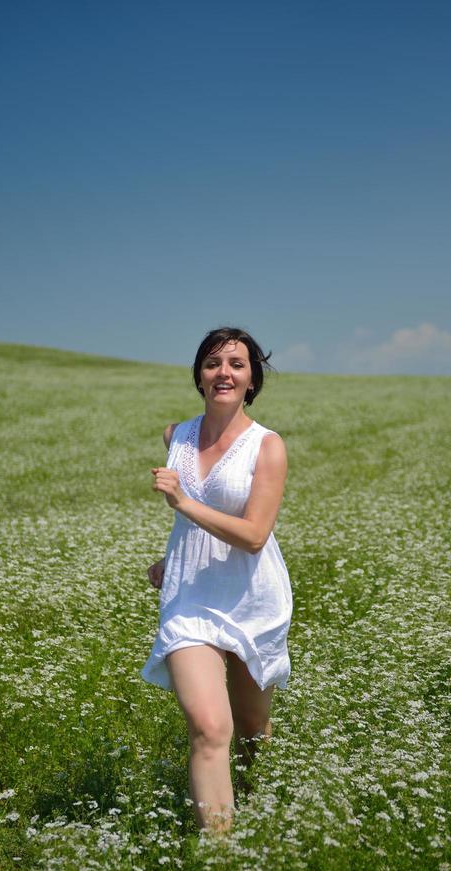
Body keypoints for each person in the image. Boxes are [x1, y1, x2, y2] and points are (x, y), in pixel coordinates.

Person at [141, 327, 293, 836]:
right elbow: (189, 525)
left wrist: (184, 503)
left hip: (253, 598)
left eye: (236, 363)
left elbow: (253, 536)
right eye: (212, 363)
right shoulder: (175, 436)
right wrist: (173, 558)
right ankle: (221, 865)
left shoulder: (266, 446)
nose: (223, 372)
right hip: (189, 600)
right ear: (199, 377)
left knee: (252, 732)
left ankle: (253, 809)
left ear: (251, 380)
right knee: (210, 728)